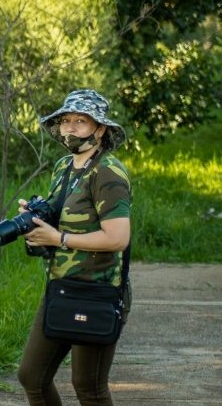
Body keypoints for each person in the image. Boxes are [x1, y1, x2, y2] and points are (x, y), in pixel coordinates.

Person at [16, 89, 132, 406]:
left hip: (97, 291)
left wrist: (60, 239)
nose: (70, 128)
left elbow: (117, 237)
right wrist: (35, 218)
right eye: (66, 120)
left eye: (80, 121)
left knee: (88, 387)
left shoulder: (108, 173)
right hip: (62, 286)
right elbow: (61, 215)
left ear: (101, 129)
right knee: (31, 377)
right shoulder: (64, 167)